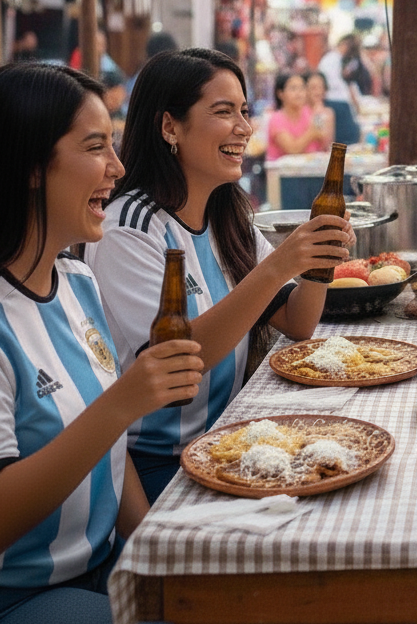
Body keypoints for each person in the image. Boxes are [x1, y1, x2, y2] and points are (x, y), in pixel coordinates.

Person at [0, 63, 203, 624]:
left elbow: (110, 454)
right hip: (5, 595)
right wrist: (121, 404)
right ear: (30, 168)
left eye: (113, 144)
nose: (118, 167)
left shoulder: (77, 281)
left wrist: (156, 550)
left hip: (100, 565)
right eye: (96, 147)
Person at [85, 48, 354, 504]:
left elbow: (298, 321)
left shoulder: (227, 214)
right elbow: (180, 362)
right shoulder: (127, 229)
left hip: (231, 440)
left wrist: (317, 260)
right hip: (159, 462)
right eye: (224, 111)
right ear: (170, 127)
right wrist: (280, 264)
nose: (244, 128)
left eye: (245, 112)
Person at [267, 71, 331, 161]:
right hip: (283, 169)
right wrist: (312, 132)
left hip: (310, 167)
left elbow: (323, 142)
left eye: (302, 88)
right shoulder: (276, 119)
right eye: (293, 89)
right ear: (280, 93)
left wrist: (320, 117)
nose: (299, 93)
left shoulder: (310, 113)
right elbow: (292, 149)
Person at [319, 34, 362, 144]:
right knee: (345, 139)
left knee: (344, 139)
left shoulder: (334, 59)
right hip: (337, 102)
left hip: (337, 102)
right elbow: (345, 84)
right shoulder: (333, 59)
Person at [306, 70, 336, 144]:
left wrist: (318, 116)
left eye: (321, 87)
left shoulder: (328, 112)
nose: (318, 92)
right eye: (313, 88)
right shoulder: (300, 111)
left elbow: (326, 143)